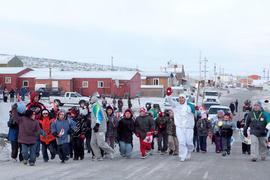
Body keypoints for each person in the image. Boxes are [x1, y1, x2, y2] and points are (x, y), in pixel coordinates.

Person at [166, 88, 195, 162]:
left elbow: (196, 113)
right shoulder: (176, 105)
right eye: (180, 98)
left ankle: (189, 151)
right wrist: (169, 95)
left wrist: (196, 110)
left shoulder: (190, 106)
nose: (181, 99)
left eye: (182, 98)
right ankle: (182, 155)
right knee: (181, 142)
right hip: (179, 127)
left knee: (189, 142)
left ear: (185, 99)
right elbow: (170, 101)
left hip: (189, 127)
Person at [90, 95, 115, 161]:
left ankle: (111, 151)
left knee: (101, 143)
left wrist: (97, 125)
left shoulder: (96, 106)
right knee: (92, 143)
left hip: (99, 128)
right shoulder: (94, 107)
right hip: (94, 128)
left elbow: (100, 117)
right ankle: (98, 156)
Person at [26, 91, 46, 158]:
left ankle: (36, 152)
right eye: (36, 97)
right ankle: (30, 153)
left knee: (37, 139)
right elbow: (25, 115)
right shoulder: (28, 106)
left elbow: (45, 114)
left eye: (38, 97)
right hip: (30, 125)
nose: (37, 98)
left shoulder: (41, 105)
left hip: (38, 125)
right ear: (32, 97)